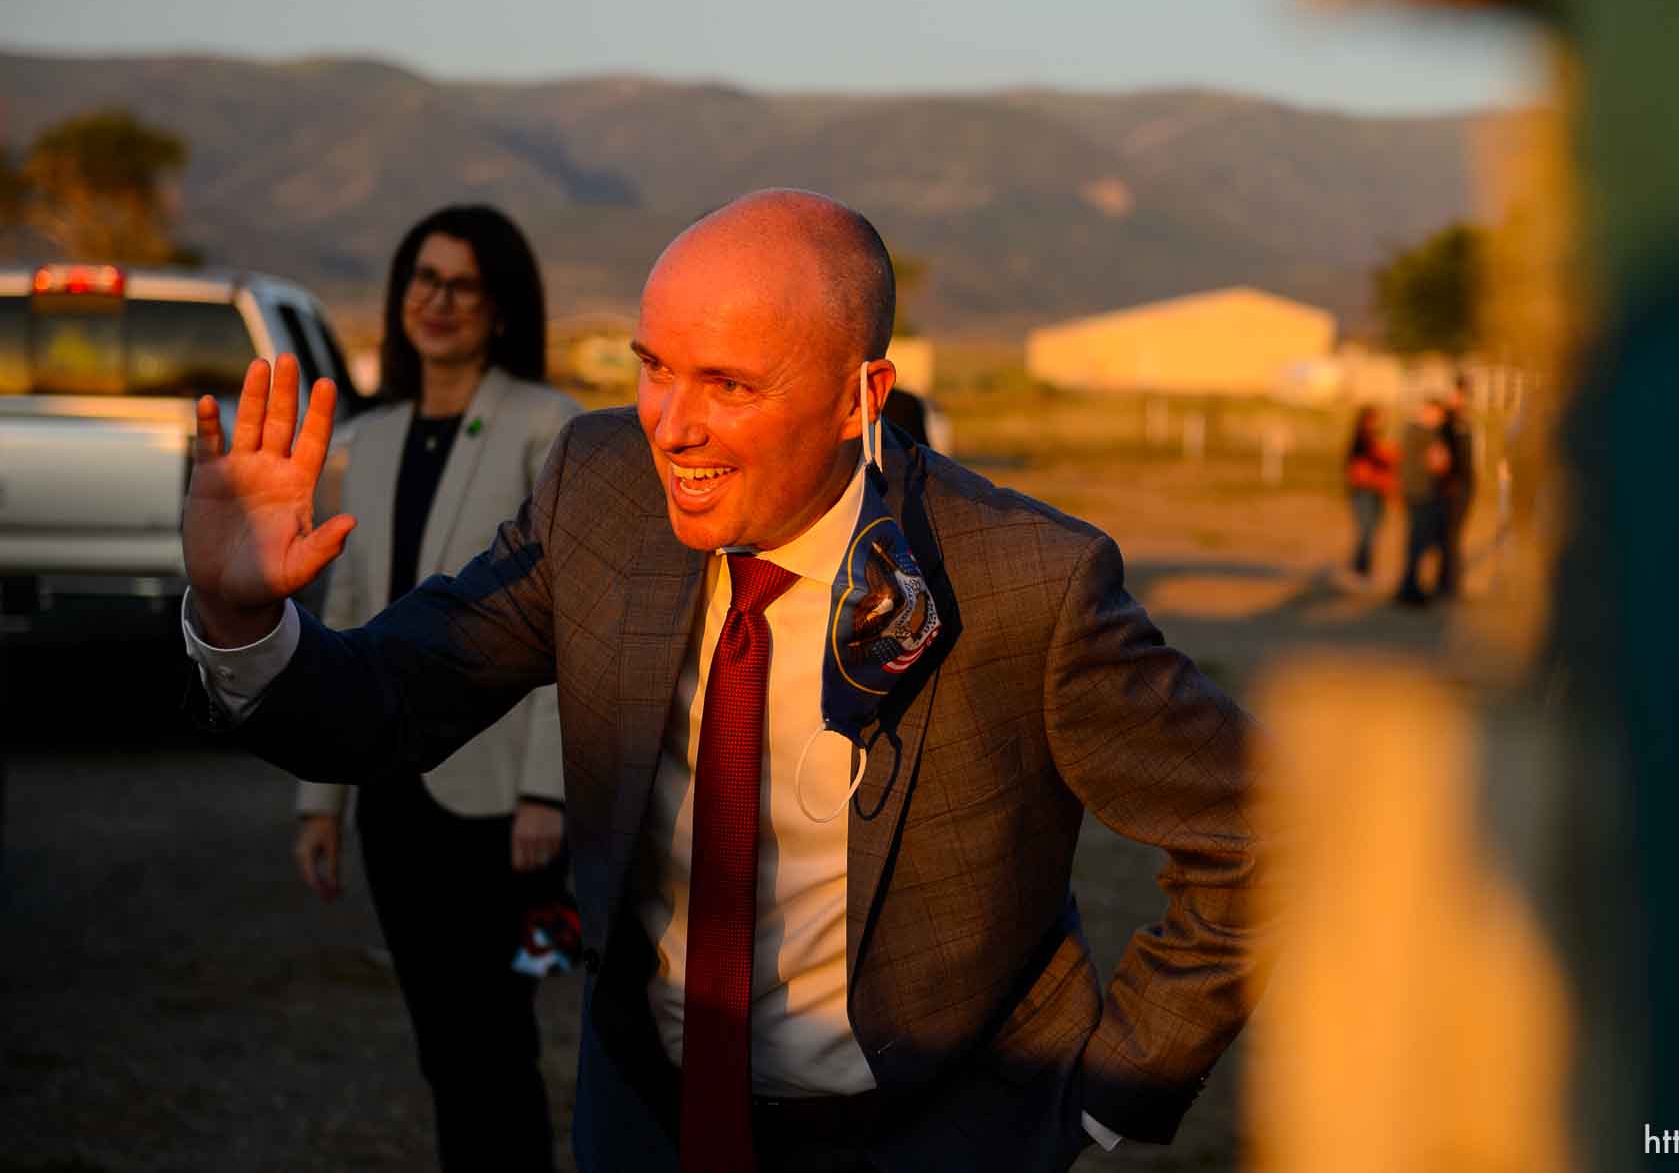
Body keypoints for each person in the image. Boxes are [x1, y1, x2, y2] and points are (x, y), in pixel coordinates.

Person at [177, 189, 1262, 1173]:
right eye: (655, 367)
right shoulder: (599, 488)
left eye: (728, 385)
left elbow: (1261, 826)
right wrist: (246, 617)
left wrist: (1115, 1089)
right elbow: (394, 697)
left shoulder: (1029, 583)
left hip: (931, 1139)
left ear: (859, 397)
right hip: (643, 1120)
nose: (671, 424)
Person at [290, 205, 582, 1170]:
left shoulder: (549, 427)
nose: (438, 301)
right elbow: (349, 607)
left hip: (501, 799)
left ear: (500, 308)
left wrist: (548, 787)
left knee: (495, 1037)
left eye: (462, 284)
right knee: (440, 1041)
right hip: (392, 791)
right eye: (424, 278)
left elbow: (566, 616)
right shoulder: (367, 440)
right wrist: (321, 794)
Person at [1393, 396, 1453, 607]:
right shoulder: (1425, 433)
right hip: (1423, 493)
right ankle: (1410, 589)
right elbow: (1439, 463)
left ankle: (1410, 586)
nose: (1439, 418)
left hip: (1415, 492)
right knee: (1418, 544)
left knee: (1416, 543)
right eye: (1437, 414)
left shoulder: (1410, 431)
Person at [1342, 404, 1398, 581]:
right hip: (1364, 492)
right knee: (1366, 530)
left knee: (1372, 531)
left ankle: (1364, 569)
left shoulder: (1377, 440)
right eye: (1376, 419)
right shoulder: (1360, 441)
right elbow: (1358, 470)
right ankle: (1360, 569)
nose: (1379, 423)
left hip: (1378, 491)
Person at [1435, 374, 1476, 599]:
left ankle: (1449, 584)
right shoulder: (1447, 422)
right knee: (1447, 536)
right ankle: (1447, 583)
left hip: (1462, 485)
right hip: (1451, 485)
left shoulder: (1464, 423)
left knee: (1452, 536)